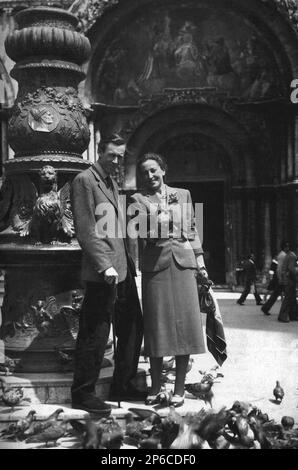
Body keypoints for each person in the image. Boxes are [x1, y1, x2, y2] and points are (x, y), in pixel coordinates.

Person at [70, 133, 145, 414]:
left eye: (120, 156)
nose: (116, 160)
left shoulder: (112, 182)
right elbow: (86, 228)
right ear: (100, 152)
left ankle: (121, 384)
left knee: (132, 327)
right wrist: (105, 264)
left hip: (123, 268)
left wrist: (129, 262)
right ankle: (83, 393)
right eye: (111, 154)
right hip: (105, 272)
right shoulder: (85, 180)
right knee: (95, 334)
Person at [129, 153, 207, 408]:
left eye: (154, 170)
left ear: (163, 170)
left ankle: (180, 388)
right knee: (157, 326)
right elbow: (141, 233)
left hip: (184, 264)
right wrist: (158, 217)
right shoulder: (137, 200)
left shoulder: (183, 194)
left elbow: (193, 229)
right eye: (145, 173)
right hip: (156, 266)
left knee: (184, 327)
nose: (150, 176)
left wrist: (201, 262)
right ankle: (155, 385)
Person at [261, 242, 289, 315]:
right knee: (288, 294)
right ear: (285, 247)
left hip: (279, 278)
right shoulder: (283, 256)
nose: (288, 248)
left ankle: (265, 307)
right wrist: (280, 279)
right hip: (282, 278)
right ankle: (289, 312)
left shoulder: (280, 255)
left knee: (275, 294)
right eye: (287, 247)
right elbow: (279, 269)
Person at [278, 245, 298, 322]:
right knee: (288, 298)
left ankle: (294, 315)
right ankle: (282, 316)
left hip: (288, 280)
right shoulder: (292, 256)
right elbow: (291, 268)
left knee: (292, 298)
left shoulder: (289, 255)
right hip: (289, 280)